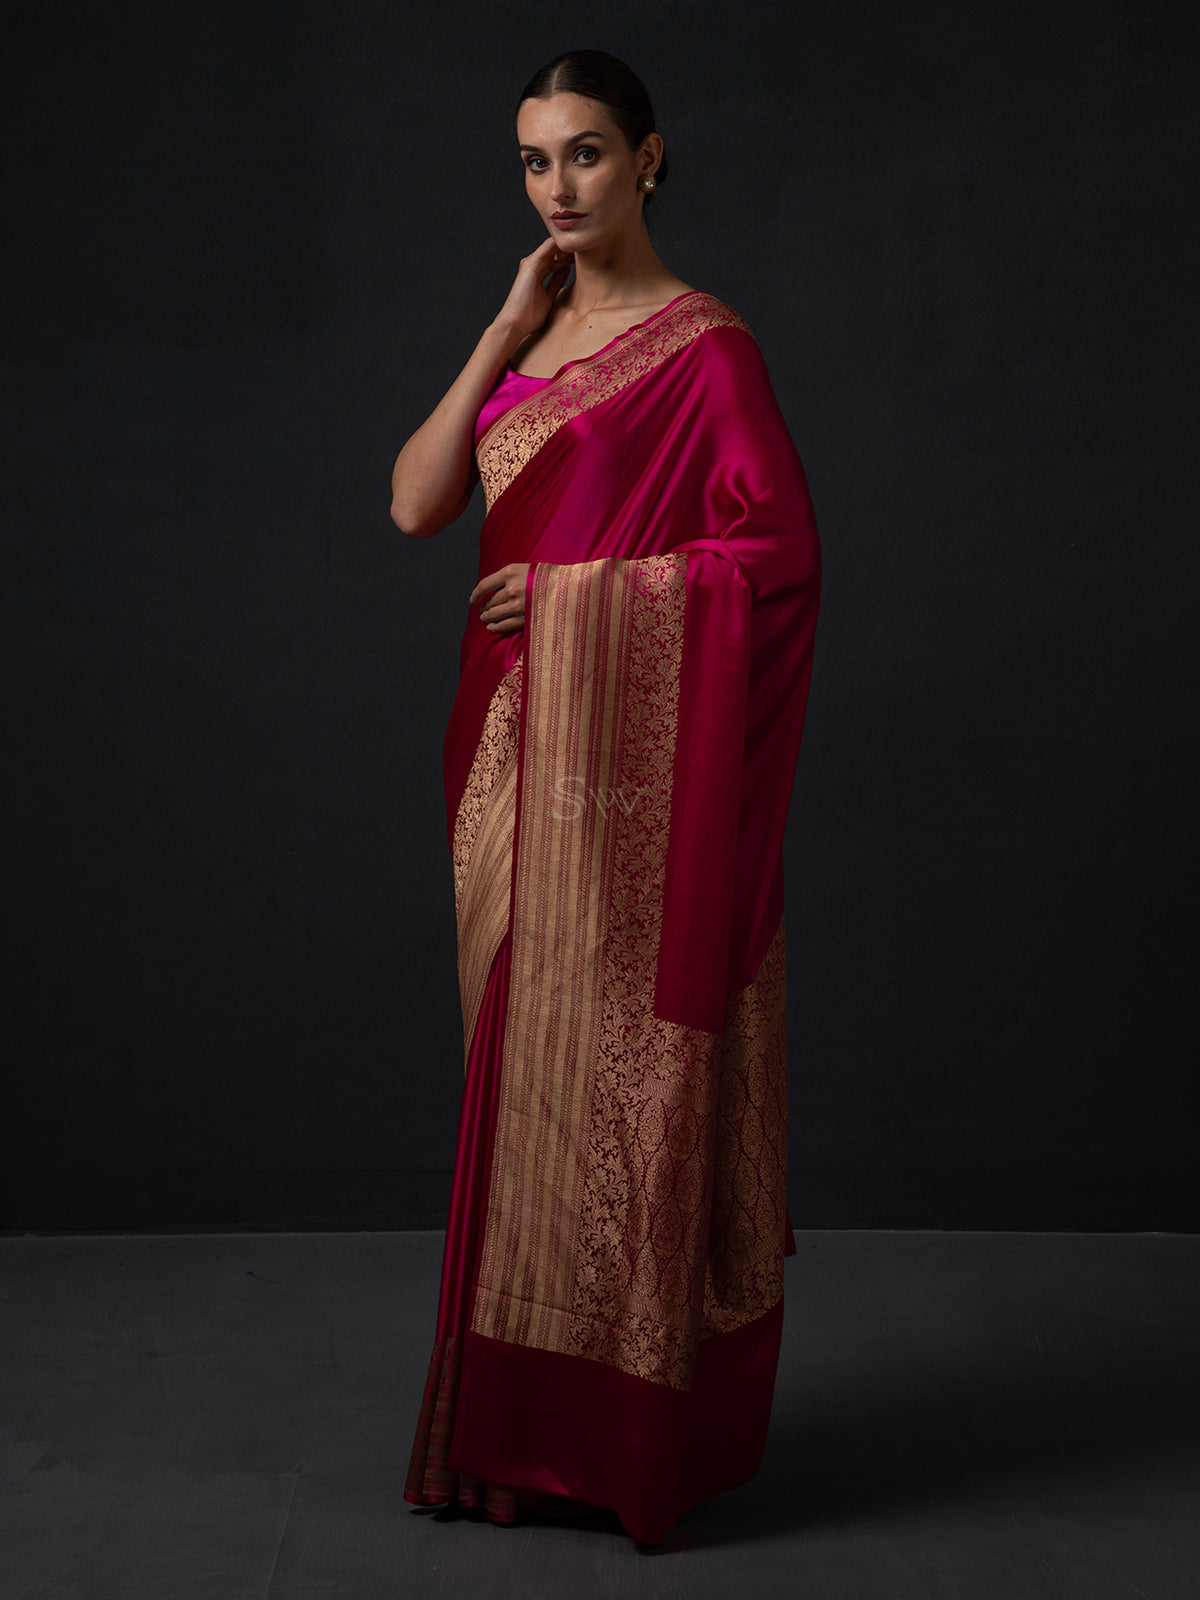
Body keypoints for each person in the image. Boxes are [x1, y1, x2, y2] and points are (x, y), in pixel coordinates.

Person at [392, 49, 821, 1546]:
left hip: (624, 771)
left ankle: (612, 1444)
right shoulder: (533, 334)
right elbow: (417, 501)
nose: (556, 187)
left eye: (583, 153)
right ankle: (504, 1442)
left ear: (648, 158)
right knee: (519, 1083)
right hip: (506, 750)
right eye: (533, 160)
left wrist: (585, 601)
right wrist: (502, 329)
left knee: (620, 1085)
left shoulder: (706, 351)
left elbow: (776, 560)